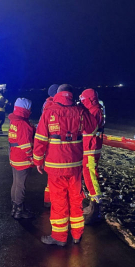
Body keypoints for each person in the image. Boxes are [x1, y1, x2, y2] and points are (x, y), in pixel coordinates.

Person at [33, 84, 97, 245]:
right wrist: (86, 107)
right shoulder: (80, 111)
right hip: (75, 165)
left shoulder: (49, 111)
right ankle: (77, 235)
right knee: (76, 199)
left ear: (58, 94)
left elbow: (40, 140)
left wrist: (38, 161)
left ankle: (60, 237)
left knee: (59, 201)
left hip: (55, 166)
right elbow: (93, 127)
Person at [79, 88, 106, 219]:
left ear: (89, 99)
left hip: (91, 148)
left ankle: (95, 206)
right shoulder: (96, 109)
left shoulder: (94, 111)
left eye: (83, 99)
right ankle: (92, 201)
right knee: (88, 173)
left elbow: (90, 128)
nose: (82, 102)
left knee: (90, 174)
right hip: (89, 147)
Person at [7, 97, 35, 218]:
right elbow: (26, 144)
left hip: (14, 156)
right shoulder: (23, 124)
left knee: (16, 183)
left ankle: (15, 207)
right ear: (26, 110)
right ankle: (19, 210)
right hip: (22, 158)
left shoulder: (14, 121)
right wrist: (32, 157)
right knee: (21, 185)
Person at [41, 84, 61, 206]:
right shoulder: (53, 107)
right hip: (56, 146)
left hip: (49, 145)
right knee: (56, 177)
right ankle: (55, 201)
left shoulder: (46, 105)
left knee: (51, 177)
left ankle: (48, 200)